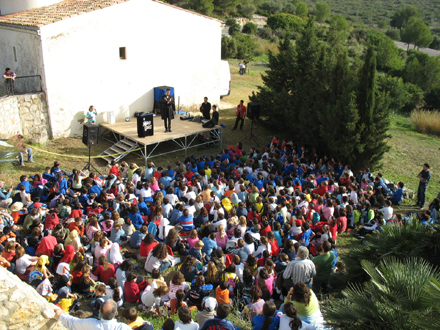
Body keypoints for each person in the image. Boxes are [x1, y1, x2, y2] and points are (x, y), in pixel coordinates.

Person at [55, 299, 132, 330]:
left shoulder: (91, 324)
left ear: (99, 311)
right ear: (116, 313)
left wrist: (61, 314)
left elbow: (72, 322)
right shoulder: (123, 328)